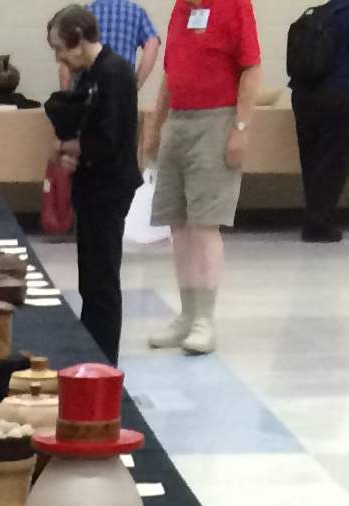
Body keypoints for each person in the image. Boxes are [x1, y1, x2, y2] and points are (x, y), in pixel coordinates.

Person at [148, 0, 263, 355]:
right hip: (178, 121)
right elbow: (170, 73)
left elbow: (251, 68)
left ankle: (204, 320)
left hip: (216, 121)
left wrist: (240, 128)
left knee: (204, 224)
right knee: (178, 224)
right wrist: (155, 125)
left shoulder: (235, 6)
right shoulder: (181, 9)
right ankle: (187, 314)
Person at [47, 7, 147, 364]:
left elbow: (109, 139)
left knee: (102, 281)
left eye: (60, 48)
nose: (59, 57)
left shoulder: (114, 73)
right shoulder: (91, 74)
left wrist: (70, 148)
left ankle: (104, 364)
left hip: (109, 189)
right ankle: (90, 354)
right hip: (92, 186)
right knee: (89, 279)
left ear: (78, 37)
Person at [288, 0, 349, 240]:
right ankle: (319, 223)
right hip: (344, 97)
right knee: (334, 162)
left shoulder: (319, 13)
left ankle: (313, 217)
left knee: (312, 160)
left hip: (304, 96)